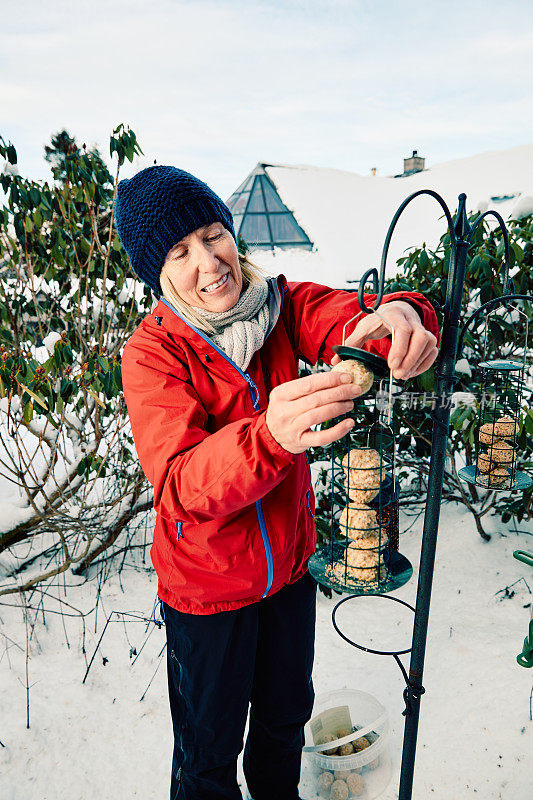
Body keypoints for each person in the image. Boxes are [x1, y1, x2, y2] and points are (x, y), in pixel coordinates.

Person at [115, 166, 440, 800]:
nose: (210, 263)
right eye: (181, 252)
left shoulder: (279, 308)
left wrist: (403, 312)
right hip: (206, 597)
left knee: (284, 726)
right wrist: (270, 437)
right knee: (208, 757)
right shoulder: (154, 353)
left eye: (213, 235)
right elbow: (180, 486)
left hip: (288, 576)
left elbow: (349, 316)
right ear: (158, 274)